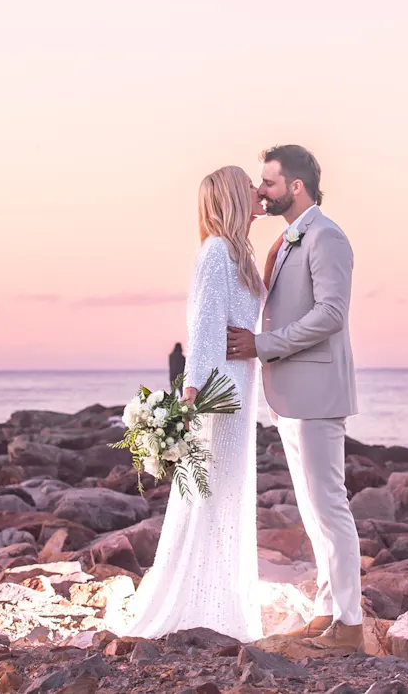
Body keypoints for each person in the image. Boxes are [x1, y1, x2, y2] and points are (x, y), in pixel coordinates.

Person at [112, 166, 265, 642]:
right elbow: (203, 327)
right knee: (209, 495)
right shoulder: (215, 252)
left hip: (240, 389)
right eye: (248, 186)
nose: (256, 190)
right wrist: (191, 398)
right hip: (216, 392)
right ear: (232, 197)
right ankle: (197, 605)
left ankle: (221, 600)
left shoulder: (241, 254)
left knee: (229, 493)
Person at [227, 144, 362, 652]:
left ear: (296, 186)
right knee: (311, 511)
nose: (261, 190)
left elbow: (331, 315)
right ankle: (328, 609)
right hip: (291, 395)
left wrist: (263, 346)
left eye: (268, 182)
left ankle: (350, 626)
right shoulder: (287, 240)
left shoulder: (326, 237)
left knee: (330, 508)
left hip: (318, 393)